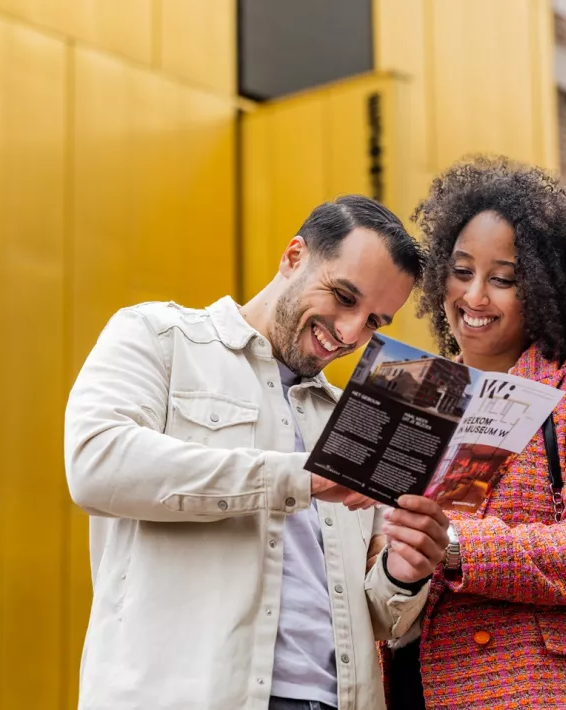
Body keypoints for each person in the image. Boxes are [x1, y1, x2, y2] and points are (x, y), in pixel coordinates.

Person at [64, 195, 450, 710]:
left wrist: (407, 568)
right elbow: (96, 464)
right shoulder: (158, 337)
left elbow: (377, 616)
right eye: (343, 296)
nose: (351, 332)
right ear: (294, 256)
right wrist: (300, 479)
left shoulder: (356, 418)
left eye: (376, 321)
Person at [382, 158, 566, 709]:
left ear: (547, 287)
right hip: (412, 685)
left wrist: (456, 546)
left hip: (537, 690)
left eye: (503, 279)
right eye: (461, 271)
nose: (475, 297)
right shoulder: (409, 389)